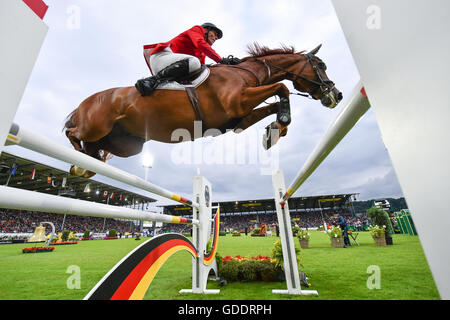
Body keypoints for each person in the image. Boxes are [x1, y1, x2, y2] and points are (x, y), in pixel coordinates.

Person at [135, 23, 241, 96]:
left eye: (217, 38)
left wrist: (225, 66)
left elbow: (203, 69)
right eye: (215, 34)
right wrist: (221, 60)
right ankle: (151, 80)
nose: (215, 38)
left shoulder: (201, 54)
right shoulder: (198, 29)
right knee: (194, 62)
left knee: (198, 70)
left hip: (170, 65)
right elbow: (201, 44)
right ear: (206, 30)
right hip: (161, 56)